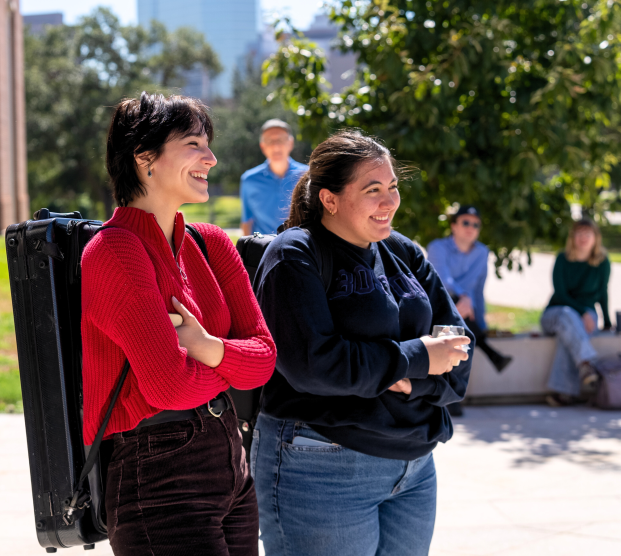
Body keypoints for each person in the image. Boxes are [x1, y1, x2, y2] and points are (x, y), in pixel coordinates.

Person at [252, 130, 474, 556]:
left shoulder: (402, 251)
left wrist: (413, 378)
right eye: (373, 190)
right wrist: (416, 357)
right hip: (322, 466)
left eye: (392, 187)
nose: (389, 201)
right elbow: (315, 364)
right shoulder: (295, 254)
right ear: (330, 199)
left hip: (414, 468)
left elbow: (459, 348)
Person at [80, 92, 277, 555]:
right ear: (145, 157)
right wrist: (231, 363)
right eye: (193, 143)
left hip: (232, 462)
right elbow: (169, 386)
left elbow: (266, 359)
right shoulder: (116, 251)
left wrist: (206, 347)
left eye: (207, 143)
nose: (211, 157)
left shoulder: (211, 243)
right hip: (159, 476)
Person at [427, 205, 513, 416]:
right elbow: (441, 281)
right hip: (436, 303)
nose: (470, 227)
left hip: (464, 311)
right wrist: (463, 299)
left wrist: (480, 320)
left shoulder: (482, 252)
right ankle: (489, 356)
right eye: (465, 222)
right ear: (453, 225)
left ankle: (450, 396)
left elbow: (478, 288)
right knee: (455, 313)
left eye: (475, 224)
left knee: (460, 324)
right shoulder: (437, 247)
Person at [541, 218, 611, 407]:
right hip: (556, 314)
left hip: (586, 316)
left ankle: (563, 394)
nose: (583, 238)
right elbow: (561, 294)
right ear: (573, 237)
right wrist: (582, 312)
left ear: (596, 238)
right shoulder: (562, 259)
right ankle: (587, 362)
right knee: (567, 315)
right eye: (579, 234)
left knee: (569, 336)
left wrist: (607, 320)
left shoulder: (602, 262)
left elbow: (603, 292)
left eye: (588, 234)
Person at [240, 119, 308, 235]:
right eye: (269, 141)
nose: (275, 146)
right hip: (263, 250)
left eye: (280, 140)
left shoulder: (307, 176)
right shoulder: (249, 180)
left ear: (290, 143)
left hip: (301, 248)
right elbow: (247, 222)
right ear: (262, 146)